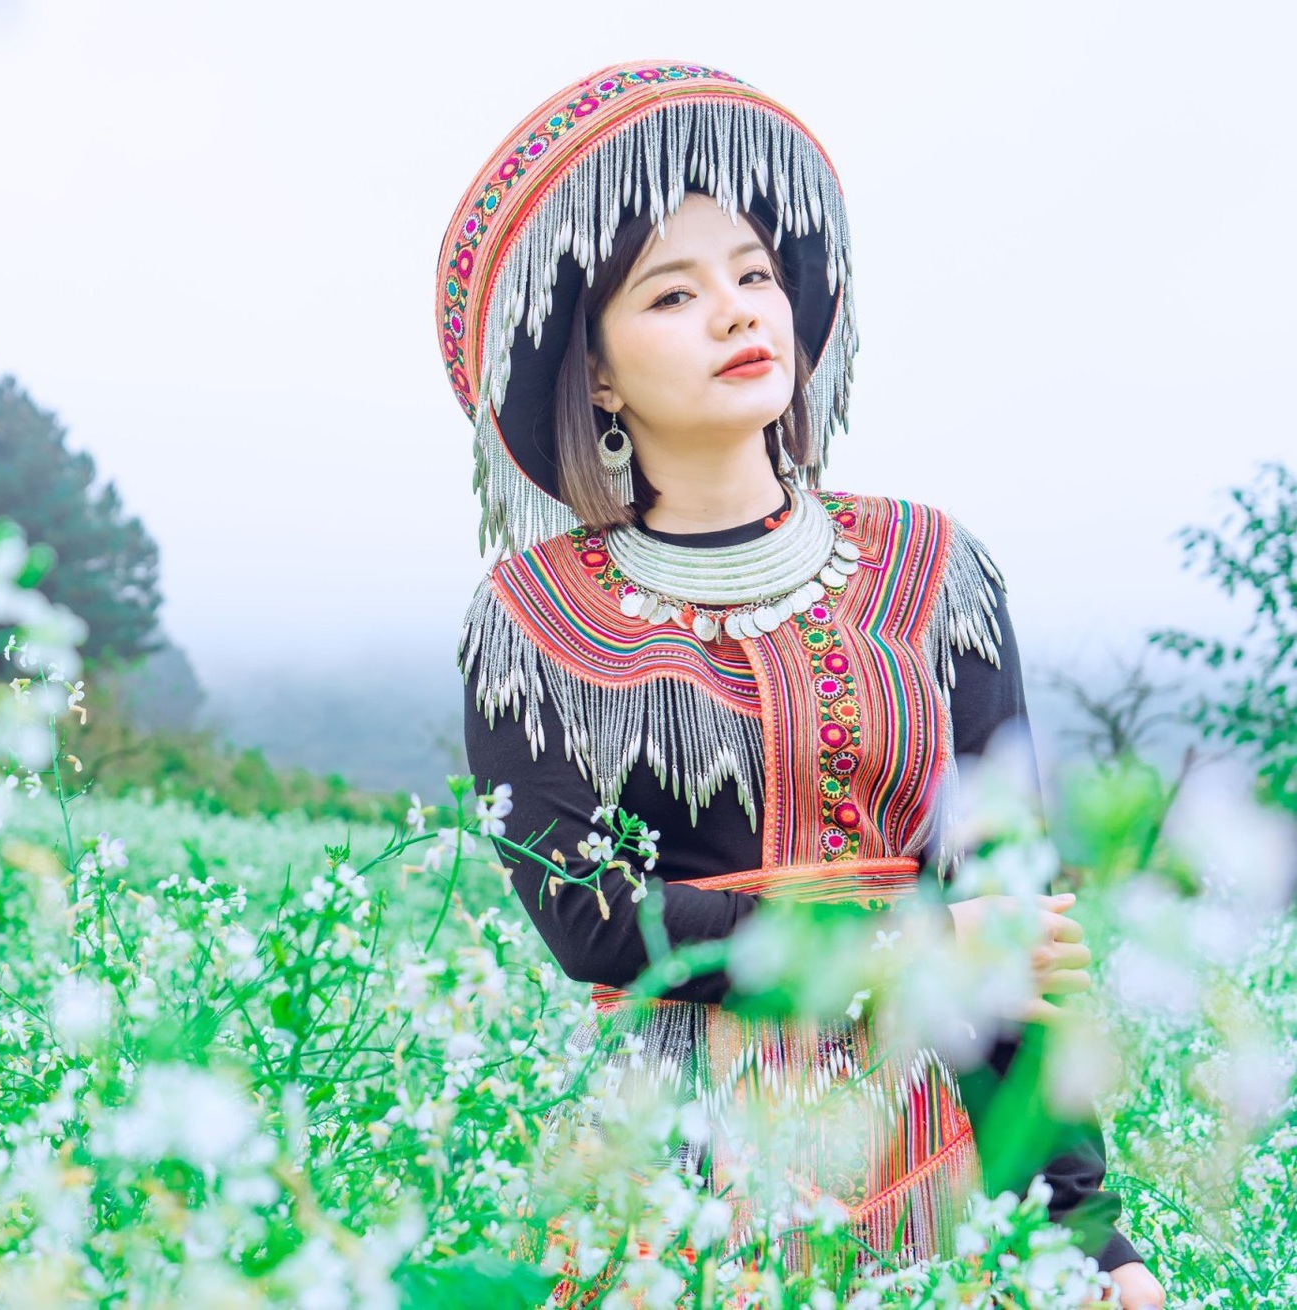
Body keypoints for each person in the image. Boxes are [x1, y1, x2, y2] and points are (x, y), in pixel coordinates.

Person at [437, 62, 1165, 1306]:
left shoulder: (937, 570)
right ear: (596, 372)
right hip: (674, 1175)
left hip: (933, 1166)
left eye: (755, 273)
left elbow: (1013, 929)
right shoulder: (530, 617)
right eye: (674, 291)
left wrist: (1088, 1237)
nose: (735, 311)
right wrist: (912, 938)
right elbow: (598, 922)